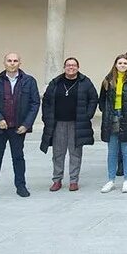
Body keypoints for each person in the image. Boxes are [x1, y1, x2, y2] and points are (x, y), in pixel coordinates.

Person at [0, 53, 40, 202]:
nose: (12, 63)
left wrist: (26, 124)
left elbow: (35, 103)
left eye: (15, 61)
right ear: (4, 63)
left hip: (18, 128)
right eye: (9, 61)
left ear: (20, 63)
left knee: (18, 158)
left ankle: (21, 186)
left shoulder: (29, 81)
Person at [40, 57, 98, 192]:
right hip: (58, 123)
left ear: (78, 67)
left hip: (76, 123)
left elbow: (93, 99)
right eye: (68, 65)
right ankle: (57, 180)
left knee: (75, 153)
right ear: (64, 67)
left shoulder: (85, 82)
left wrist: (87, 115)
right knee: (58, 153)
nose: (71, 67)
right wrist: (46, 118)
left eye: (73, 65)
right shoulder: (55, 83)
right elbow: (47, 102)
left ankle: (73, 180)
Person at [98, 55, 127, 194]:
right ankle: (111, 179)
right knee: (112, 150)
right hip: (112, 117)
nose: (122, 65)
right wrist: (108, 113)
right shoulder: (108, 79)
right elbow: (102, 100)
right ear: (115, 64)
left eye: (125, 63)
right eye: (120, 63)